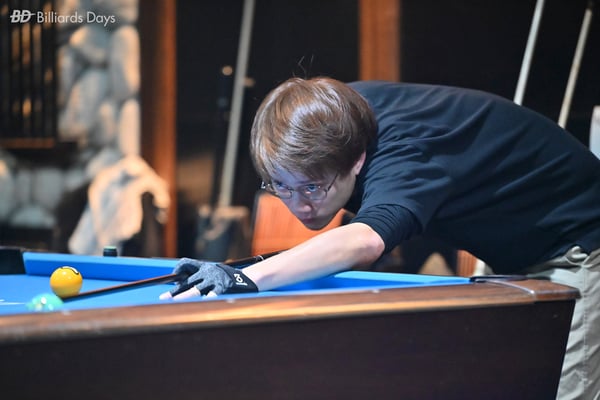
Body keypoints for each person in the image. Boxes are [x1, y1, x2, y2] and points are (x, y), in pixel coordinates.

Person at [161, 77, 600, 399]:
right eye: (281, 186)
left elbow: (366, 242)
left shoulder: (402, 156)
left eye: (312, 187)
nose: (298, 205)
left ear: (357, 161)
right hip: (519, 251)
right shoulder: (329, 119)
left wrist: (244, 277)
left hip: (579, 243)